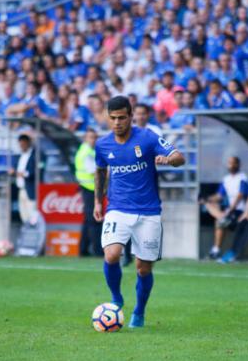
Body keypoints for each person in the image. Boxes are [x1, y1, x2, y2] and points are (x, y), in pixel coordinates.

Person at [94, 96, 185, 328]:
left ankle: (139, 312)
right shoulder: (103, 144)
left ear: (131, 117)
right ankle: (116, 299)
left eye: (122, 117)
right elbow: (100, 172)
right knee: (111, 255)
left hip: (148, 212)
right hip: (117, 208)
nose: (117, 122)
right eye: (113, 118)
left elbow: (179, 156)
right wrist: (97, 202)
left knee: (143, 268)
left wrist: (169, 160)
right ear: (108, 117)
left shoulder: (147, 138)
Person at [203, 156, 248, 259]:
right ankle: (222, 217)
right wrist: (206, 199)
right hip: (228, 213)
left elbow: (240, 195)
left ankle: (216, 250)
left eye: (233, 163)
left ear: (238, 165)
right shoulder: (226, 179)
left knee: (219, 221)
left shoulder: (242, 177)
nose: (230, 165)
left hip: (239, 211)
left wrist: (230, 210)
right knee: (209, 205)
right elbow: (219, 196)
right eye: (229, 163)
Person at [76, 128, 103, 257]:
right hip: (89, 188)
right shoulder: (86, 152)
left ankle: (83, 249)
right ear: (85, 138)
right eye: (91, 137)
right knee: (94, 219)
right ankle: (97, 250)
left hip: (91, 188)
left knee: (88, 220)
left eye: (95, 137)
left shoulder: (89, 151)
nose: (94, 140)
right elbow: (94, 171)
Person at [8, 134, 40, 224]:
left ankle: (33, 234)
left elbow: (34, 172)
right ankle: (27, 234)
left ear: (28, 143)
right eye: (20, 144)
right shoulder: (20, 156)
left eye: (23, 144)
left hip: (30, 189)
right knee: (24, 215)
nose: (21, 146)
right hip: (21, 189)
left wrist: (21, 174)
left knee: (32, 214)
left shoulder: (35, 155)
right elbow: (16, 169)